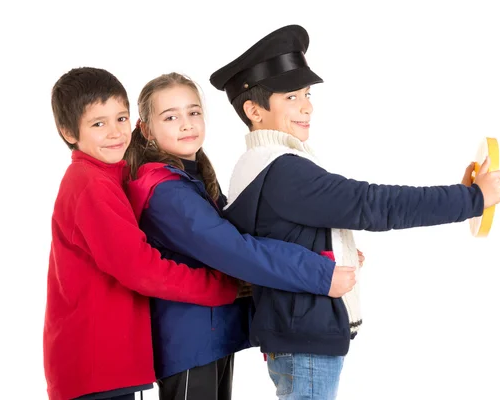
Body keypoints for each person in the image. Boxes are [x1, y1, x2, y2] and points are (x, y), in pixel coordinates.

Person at [209, 24, 500, 399]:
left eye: (307, 93)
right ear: (254, 109)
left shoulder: (255, 165)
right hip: (306, 344)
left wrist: (339, 248)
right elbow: (374, 205)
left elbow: (283, 236)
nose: (307, 106)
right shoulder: (282, 169)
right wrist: (472, 200)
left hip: (296, 336)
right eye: (291, 96)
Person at [45, 66, 355, 400]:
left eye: (120, 119)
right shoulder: (101, 184)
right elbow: (144, 268)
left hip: (132, 352)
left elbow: (236, 234)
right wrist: (230, 286)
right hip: (108, 354)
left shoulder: (130, 175)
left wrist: (320, 246)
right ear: (68, 131)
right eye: (98, 124)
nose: (114, 133)